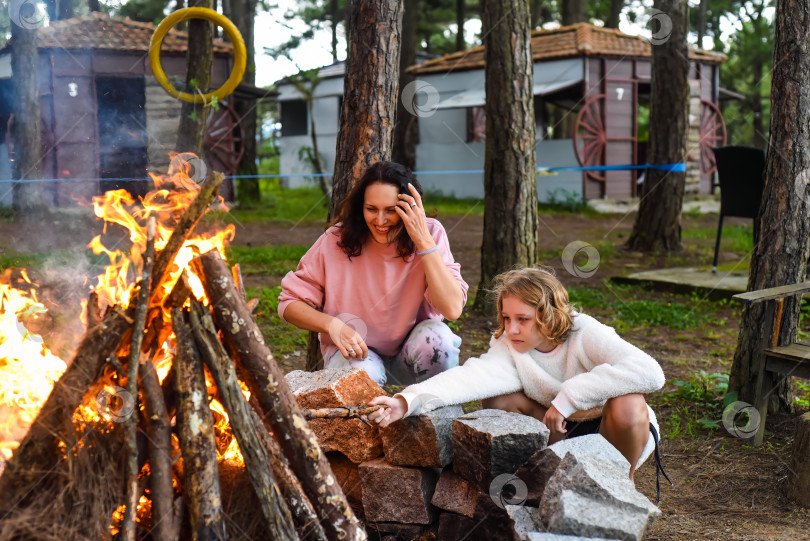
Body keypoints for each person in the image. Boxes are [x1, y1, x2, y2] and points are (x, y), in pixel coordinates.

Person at [368, 266, 667, 483]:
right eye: (507, 318)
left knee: (628, 400)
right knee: (497, 396)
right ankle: (547, 478)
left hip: (612, 429)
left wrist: (569, 398)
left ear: (548, 314)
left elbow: (649, 371)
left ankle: (618, 490)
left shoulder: (584, 331)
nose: (511, 329)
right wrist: (407, 400)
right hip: (556, 430)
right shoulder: (509, 344)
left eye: (522, 319)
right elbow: (470, 377)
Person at [278, 161, 468, 386]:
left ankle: (434, 414)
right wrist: (332, 325)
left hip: (411, 355)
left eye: (390, 210)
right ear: (361, 208)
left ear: (409, 207)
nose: (380, 221)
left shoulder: (431, 233)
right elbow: (289, 304)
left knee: (440, 339)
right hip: (356, 357)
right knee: (359, 378)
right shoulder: (335, 240)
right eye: (371, 209)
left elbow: (452, 309)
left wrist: (424, 241)